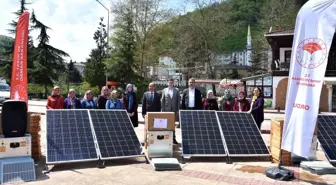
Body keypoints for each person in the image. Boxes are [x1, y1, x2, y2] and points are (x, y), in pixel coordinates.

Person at [161, 79, 180, 144]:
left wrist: (178, 110)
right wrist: (163, 111)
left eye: (172, 83)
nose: (171, 84)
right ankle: (166, 139)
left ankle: (173, 138)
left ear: (173, 83)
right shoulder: (164, 90)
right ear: (168, 83)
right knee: (166, 125)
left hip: (174, 111)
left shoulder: (176, 90)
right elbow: (162, 101)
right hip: (166, 110)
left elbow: (178, 101)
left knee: (173, 125)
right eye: (169, 82)